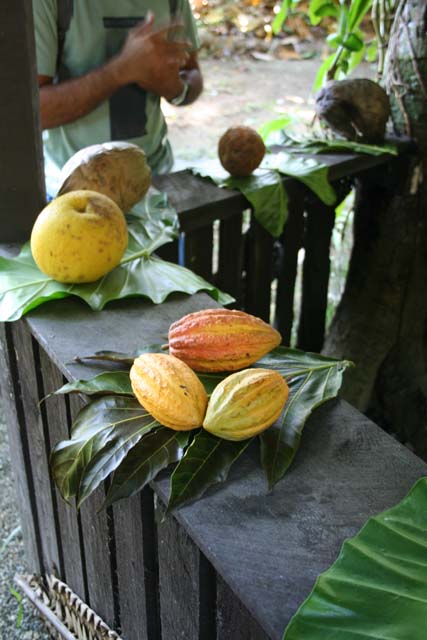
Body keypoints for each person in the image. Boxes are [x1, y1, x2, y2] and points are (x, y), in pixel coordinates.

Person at [33, 1, 203, 196]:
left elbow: (192, 74)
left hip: (156, 182)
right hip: (72, 191)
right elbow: (37, 113)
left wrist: (173, 87)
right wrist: (120, 71)